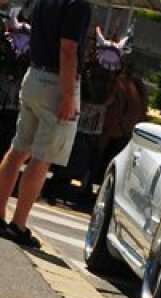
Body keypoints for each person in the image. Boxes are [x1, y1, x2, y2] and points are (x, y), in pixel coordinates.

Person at [0, 0, 90, 248]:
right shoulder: (78, 5)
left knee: (18, 149)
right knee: (42, 157)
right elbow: (68, 49)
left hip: (34, 75)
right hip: (56, 83)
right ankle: (18, 225)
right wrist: (69, 95)